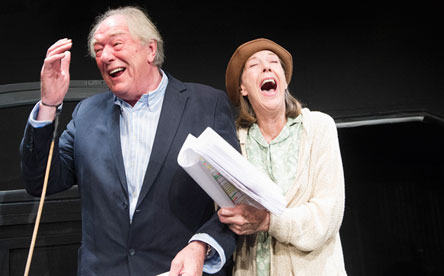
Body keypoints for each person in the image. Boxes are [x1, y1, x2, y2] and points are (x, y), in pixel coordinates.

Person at [20, 6, 238, 276]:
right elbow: (40, 182)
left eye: (116, 44)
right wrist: (49, 104)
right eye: (98, 50)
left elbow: (237, 199)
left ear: (150, 49)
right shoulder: (86, 114)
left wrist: (202, 245)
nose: (106, 56)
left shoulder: (207, 105)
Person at [217, 38, 347, 275]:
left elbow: (327, 215)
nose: (266, 67)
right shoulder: (235, 142)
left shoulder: (318, 127)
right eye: (254, 65)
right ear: (242, 88)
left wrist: (268, 221)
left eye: (273, 62)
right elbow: (226, 213)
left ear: (284, 81)